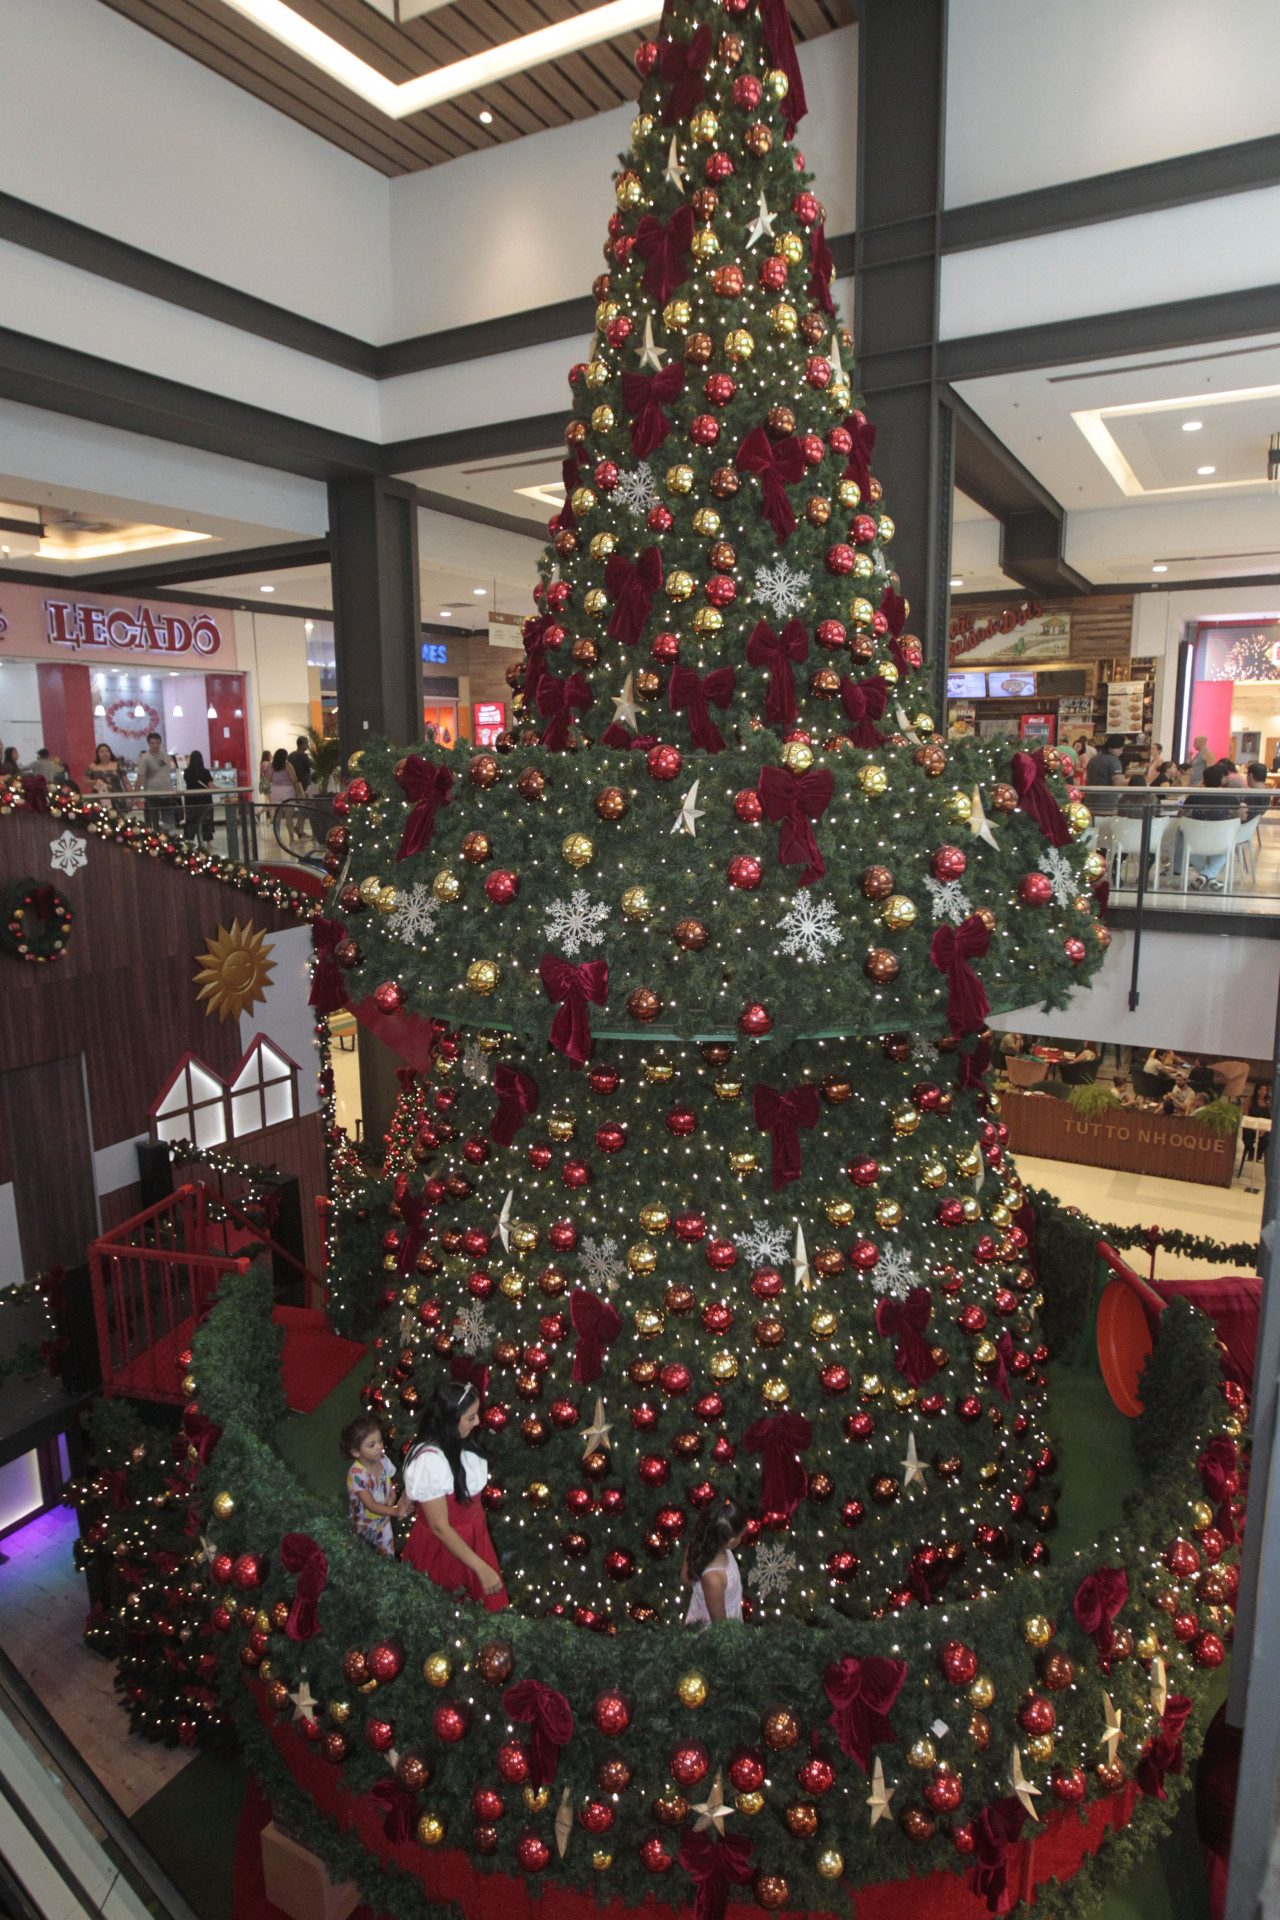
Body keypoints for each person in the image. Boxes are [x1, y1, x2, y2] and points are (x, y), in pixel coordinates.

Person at [402, 1381, 508, 1610]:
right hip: (446, 1550)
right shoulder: (430, 1461)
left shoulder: (457, 1441)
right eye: (470, 1417)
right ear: (450, 1419)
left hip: (474, 1537)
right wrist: (481, 1568)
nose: (477, 1422)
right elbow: (440, 1527)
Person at [342, 1414, 406, 1556]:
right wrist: (395, 1511)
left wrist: (392, 1493)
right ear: (356, 1452)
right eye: (372, 1445)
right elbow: (370, 1504)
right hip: (363, 1526)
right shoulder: (357, 1474)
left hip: (383, 1522)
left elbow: (387, 1478)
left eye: (380, 1441)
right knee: (363, 1555)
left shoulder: (382, 1459)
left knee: (387, 1555)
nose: (379, 1447)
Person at [682, 1498, 749, 1625]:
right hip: (721, 1627)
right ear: (731, 1542)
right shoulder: (713, 1579)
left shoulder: (697, 1542)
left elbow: (685, 1579)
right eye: (741, 1535)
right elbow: (720, 1626)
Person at [1182, 763, 1241, 887]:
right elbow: (1239, 814)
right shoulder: (1229, 797)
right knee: (1230, 843)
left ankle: (1204, 876)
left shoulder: (1195, 796)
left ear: (1204, 779)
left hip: (1196, 840)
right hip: (1220, 840)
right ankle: (1209, 876)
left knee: (1182, 838)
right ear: (1221, 779)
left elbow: (1182, 813)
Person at [136, 731, 179, 830]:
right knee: (152, 823)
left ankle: (167, 838)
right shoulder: (145, 758)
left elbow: (166, 773)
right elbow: (140, 777)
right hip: (152, 794)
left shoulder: (165, 755)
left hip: (167, 793)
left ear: (160, 743)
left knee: (169, 822)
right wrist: (135, 795)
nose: (155, 745)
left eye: (157, 743)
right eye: (152, 743)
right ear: (149, 744)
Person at [1084, 734, 1125, 813]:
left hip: (1090, 802)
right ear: (1114, 748)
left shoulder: (1094, 759)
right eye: (1121, 749)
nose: (1121, 752)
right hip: (1107, 804)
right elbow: (1118, 783)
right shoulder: (1114, 761)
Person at [183, 748, 215, 846]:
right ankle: (208, 843)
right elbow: (211, 786)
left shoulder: (187, 772)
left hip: (191, 800)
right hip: (205, 800)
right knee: (206, 821)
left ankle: (188, 841)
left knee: (190, 821)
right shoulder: (205, 772)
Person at [84, 740, 126, 810]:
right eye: (102, 752)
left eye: (107, 751)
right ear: (97, 754)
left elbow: (126, 782)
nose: (105, 753)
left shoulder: (117, 765)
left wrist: (133, 797)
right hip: (99, 798)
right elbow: (85, 781)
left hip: (117, 797)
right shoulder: (92, 767)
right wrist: (95, 781)